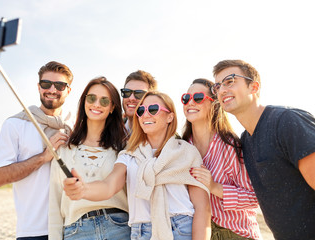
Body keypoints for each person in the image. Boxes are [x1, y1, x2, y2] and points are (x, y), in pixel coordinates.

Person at [63, 91, 211, 240]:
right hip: (142, 232)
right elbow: (109, 186)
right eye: (141, 111)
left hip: (182, 229)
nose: (146, 115)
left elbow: (202, 208)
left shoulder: (187, 152)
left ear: (170, 117)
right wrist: (84, 189)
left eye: (153, 109)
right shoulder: (129, 155)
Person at [212, 59, 315, 240]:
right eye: (217, 86)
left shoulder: (286, 122)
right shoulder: (245, 141)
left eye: (230, 81)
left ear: (254, 87)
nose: (222, 90)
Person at [0, 61, 74, 240]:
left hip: (73, 227)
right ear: (38, 87)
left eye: (59, 85)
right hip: (34, 231)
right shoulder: (16, 124)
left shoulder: (75, 128)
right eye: (46, 84)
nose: (52, 89)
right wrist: (44, 157)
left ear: (68, 90)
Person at [48, 77, 130, 240]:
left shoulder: (123, 148)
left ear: (113, 107)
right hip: (76, 231)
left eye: (104, 101)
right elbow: (54, 203)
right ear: (84, 101)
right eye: (91, 98)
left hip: (119, 228)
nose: (97, 104)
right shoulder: (65, 149)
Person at [183, 78, 261, 240]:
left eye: (197, 98)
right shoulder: (182, 147)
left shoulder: (230, 145)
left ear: (214, 104)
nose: (190, 103)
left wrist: (214, 187)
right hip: (197, 232)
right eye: (186, 98)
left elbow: (254, 198)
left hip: (236, 232)